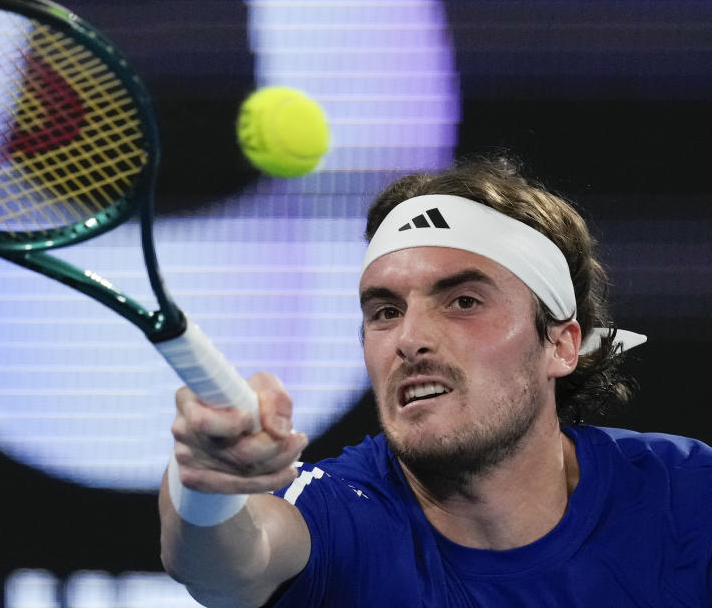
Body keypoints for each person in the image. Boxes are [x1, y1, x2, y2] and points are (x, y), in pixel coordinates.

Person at [158, 157, 712, 607]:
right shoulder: (334, 509)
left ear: (562, 344)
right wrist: (206, 485)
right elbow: (227, 564)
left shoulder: (688, 494)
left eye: (463, 302)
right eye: (384, 311)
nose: (409, 337)